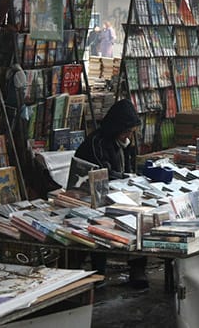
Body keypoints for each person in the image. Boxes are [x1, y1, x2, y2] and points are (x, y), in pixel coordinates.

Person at [74, 99, 149, 289]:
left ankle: (137, 268)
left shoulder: (124, 143)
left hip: (117, 193)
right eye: (126, 131)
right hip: (91, 195)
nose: (128, 136)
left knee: (141, 216)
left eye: (131, 132)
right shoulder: (97, 142)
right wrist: (127, 178)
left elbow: (127, 168)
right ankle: (98, 273)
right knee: (100, 222)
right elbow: (103, 174)